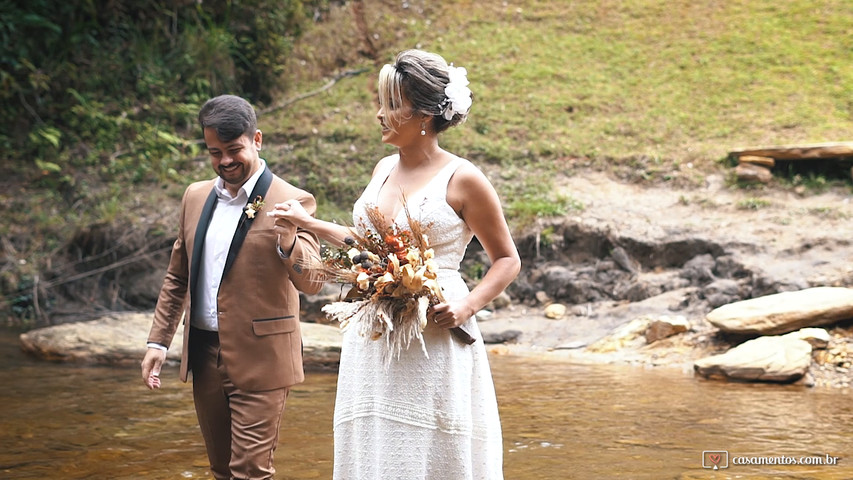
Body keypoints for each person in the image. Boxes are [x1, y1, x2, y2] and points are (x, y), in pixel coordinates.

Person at [268, 49, 521, 479]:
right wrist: (308, 223)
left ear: (423, 114)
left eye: (390, 104)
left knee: (427, 440)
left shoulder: (463, 179)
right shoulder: (383, 168)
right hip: (373, 333)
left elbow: (507, 260)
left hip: (432, 333)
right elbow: (368, 249)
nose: (380, 115)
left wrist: (467, 306)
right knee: (373, 437)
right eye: (379, 103)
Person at [140, 94, 324, 480]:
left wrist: (289, 240)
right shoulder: (194, 196)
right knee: (221, 470)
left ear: (256, 139)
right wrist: (159, 343)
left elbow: (313, 281)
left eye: (234, 149)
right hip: (204, 353)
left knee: (250, 471)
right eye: (214, 152)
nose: (225, 160)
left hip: (263, 356)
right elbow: (177, 277)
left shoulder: (293, 200)